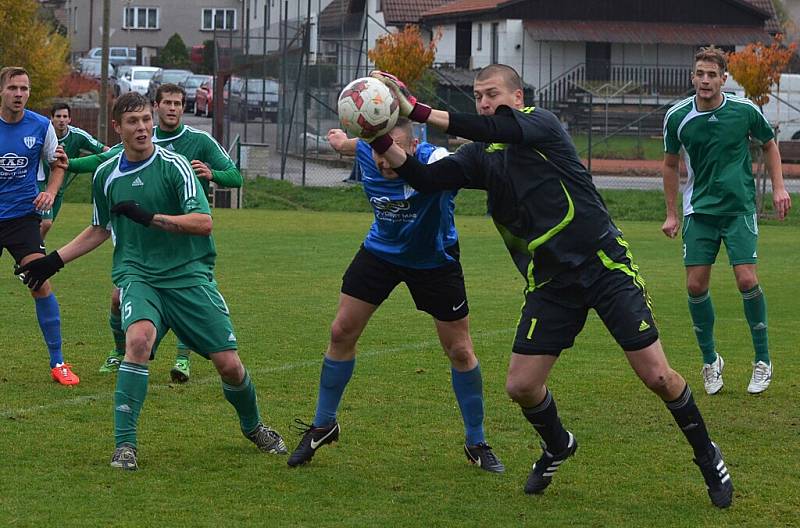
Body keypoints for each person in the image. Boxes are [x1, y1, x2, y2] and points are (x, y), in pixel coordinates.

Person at [368, 65, 733, 508]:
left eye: (492, 93)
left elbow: (488, 125)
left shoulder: (542, 125)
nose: (484, 102)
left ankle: (706, 454)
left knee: (657, 375)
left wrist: (415, 109)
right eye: (478, 96)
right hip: (551, 283)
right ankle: (558, 444)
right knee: (521, 386)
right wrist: (380, 133)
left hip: (603, 266)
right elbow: (426, 180)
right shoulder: (481, 155)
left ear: (518, 97)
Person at [16, 92, 285, 470]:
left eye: (145, 120)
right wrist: (53, 261)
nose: (142, 128)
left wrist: (151, 218)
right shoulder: (106, 175)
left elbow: (203, 222)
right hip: (138, 274)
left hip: (189, 275)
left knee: (229, 366)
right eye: (133, 122)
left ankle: (253, 425)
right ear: (117, 128)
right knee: (138, 341)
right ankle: (125, 446)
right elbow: (98, 229)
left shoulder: (175, 166)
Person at [287, 118, 504, 473]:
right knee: (341, 331)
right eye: (378, 155)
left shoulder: (435, 162)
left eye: (392, 154)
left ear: (414, 147)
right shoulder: (369, 154)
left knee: (461, 350)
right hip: (381, 253)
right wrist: (339, 138)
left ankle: (476, 441)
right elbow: (349, 144)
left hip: (435, 260)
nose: (383, 163)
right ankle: (324, 425)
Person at [68, 83, 243, 383]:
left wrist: (212, 174)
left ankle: (182, 359)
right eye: (167, 103)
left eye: (178, 103)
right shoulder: (141, 139)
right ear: (157, 107)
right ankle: (124, 350)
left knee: (195, 321)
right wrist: (69, 163)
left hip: (186, 244)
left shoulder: (197, 142)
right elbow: (104, 160)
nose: (172, 108)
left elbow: (235, 177)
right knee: (120, 303)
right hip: (141, 249)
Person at [662, 46, 791, 396]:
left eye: (712, 74)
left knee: (747, 279)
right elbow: (671, 164)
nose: (705, 80)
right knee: (695, 286)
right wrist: (672, 212)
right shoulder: (677, 117)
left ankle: (762, 360)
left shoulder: (744, 111)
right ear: (693, 77)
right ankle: (710, 361)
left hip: (738, 210)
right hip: (699, 212)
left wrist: (779, 188)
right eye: (700, 74)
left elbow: (769, 143)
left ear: (723, 79)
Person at [0, 66, 79, 385]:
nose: (19, 94)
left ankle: (58, 362)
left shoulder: (41, 125)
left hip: (22, 219)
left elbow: (59, 163)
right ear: (1, 91)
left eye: (24, 88)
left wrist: (50, 191)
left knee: (39, 280)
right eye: (13, 88)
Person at [40, 102, 108, 238]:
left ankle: (30, 255)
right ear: (51, 118)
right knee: (44, 223)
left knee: (45, 226)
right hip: (40, 186)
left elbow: (104, 150)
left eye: (65, 116)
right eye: (58, 116)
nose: (61, 120)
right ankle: (32, 253)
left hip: (59, 190)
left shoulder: (77, 135)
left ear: (70, 119)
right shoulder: (43, 133)